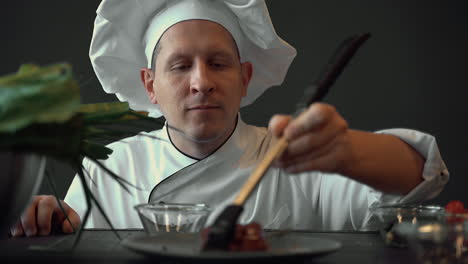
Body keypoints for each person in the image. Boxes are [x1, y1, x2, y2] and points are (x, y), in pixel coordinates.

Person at [10, 0, 448, 237]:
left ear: (244, 78)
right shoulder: (111, 163)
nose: (201, 82)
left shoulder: (288, 154)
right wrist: (45, 217)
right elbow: (68, 232)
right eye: (180, 66)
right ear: (150, 85)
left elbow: (417, 176)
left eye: (218, 63)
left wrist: (346, 150)